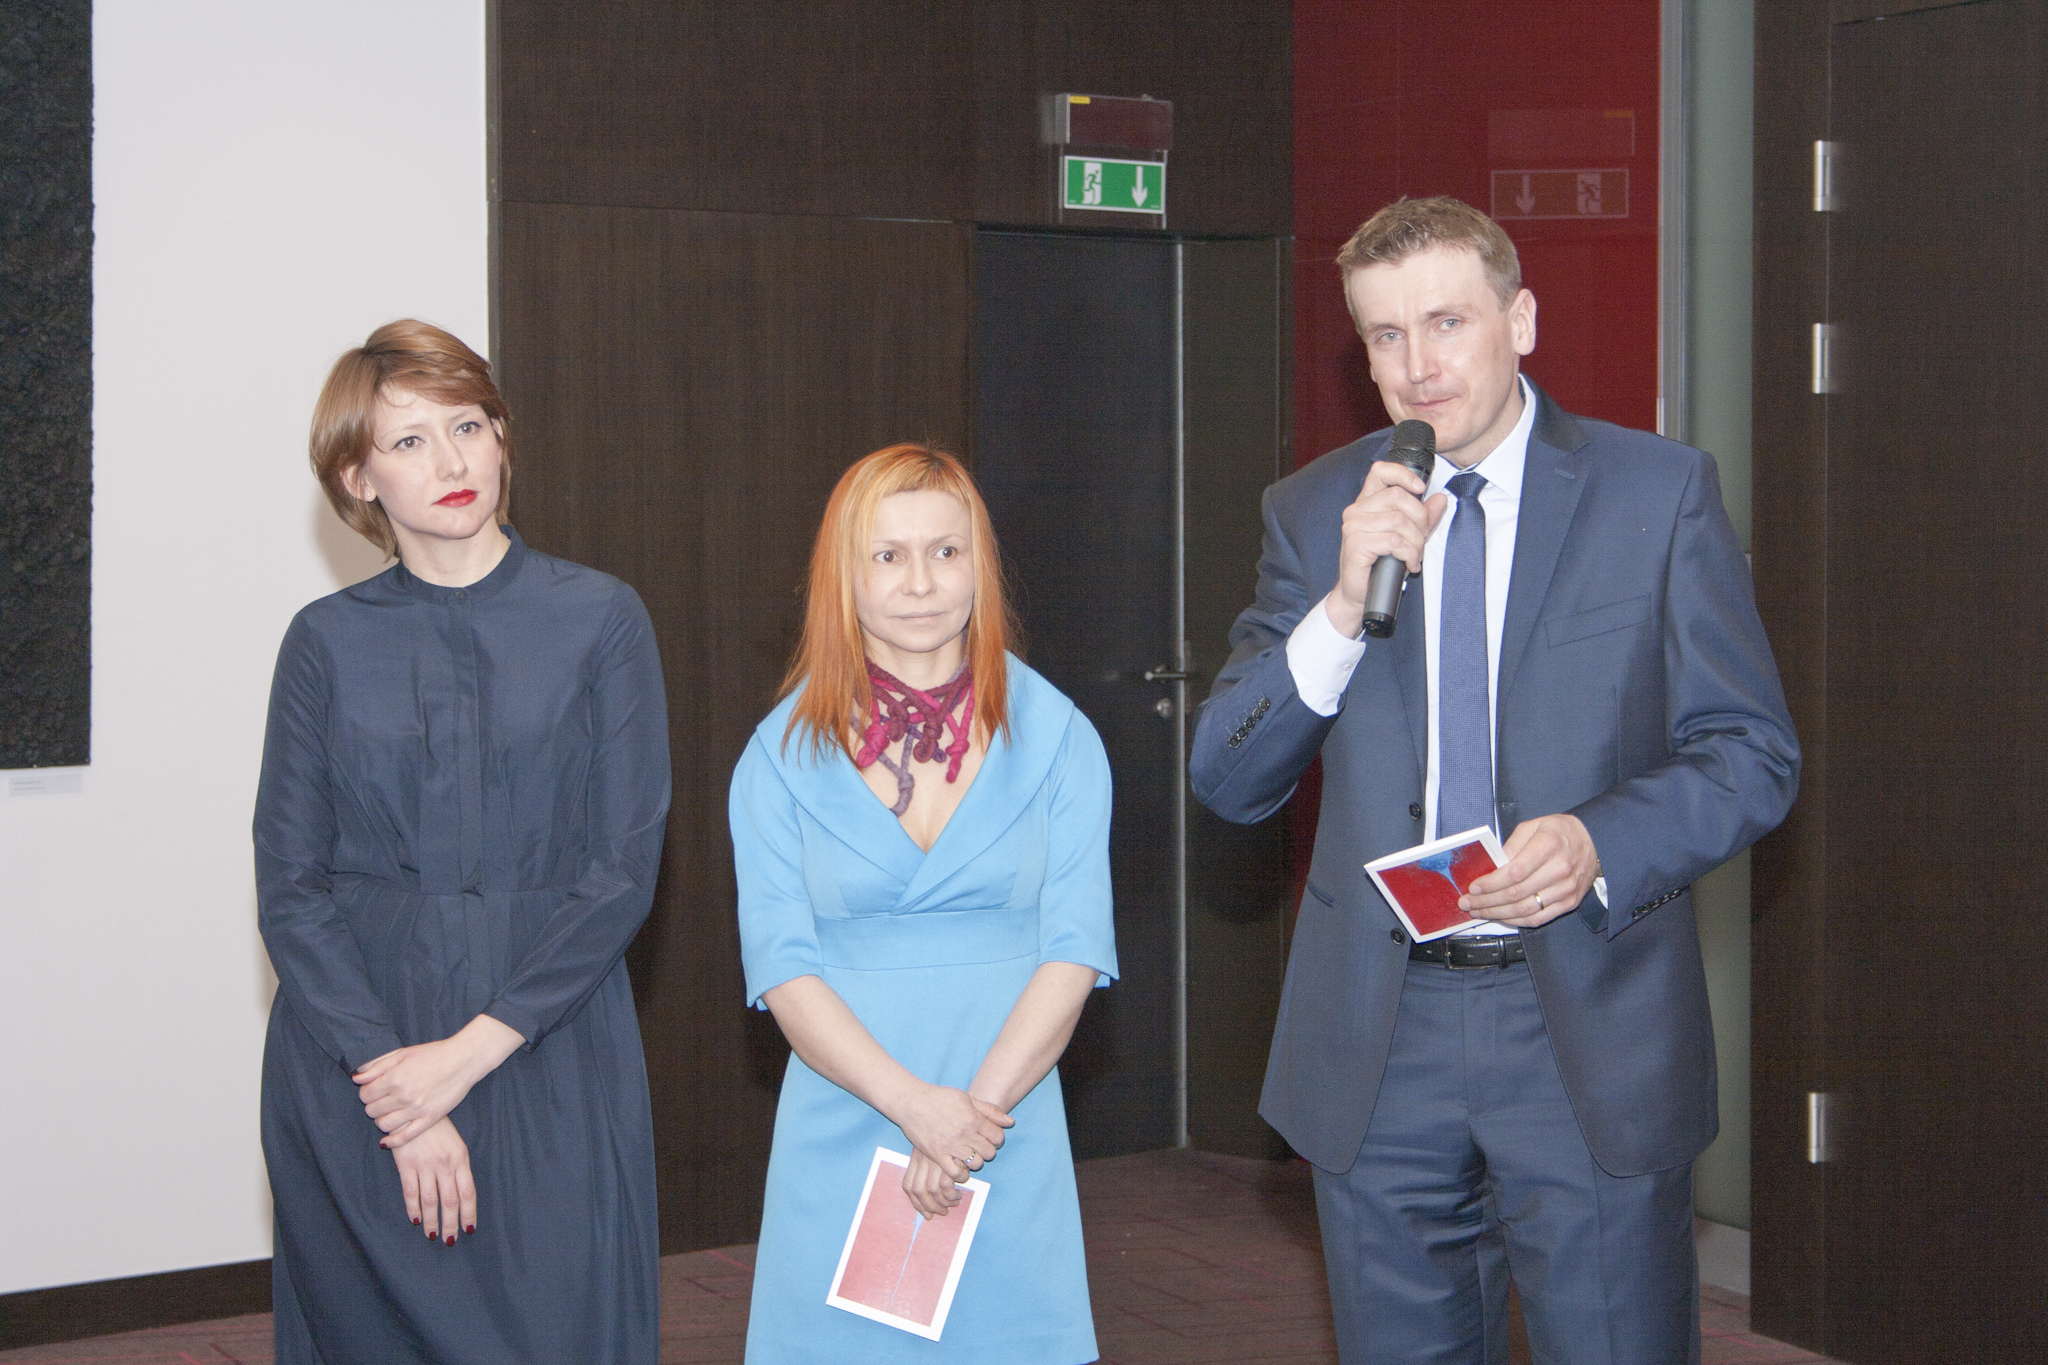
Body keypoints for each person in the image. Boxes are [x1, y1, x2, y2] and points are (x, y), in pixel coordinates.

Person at [1189, 198, 1799, 1364]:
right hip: (1381, 1032)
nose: (1416, 367)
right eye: (1383, 336)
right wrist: (1339, 606)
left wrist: (1600, 841)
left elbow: (1749, 752)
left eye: (1445, 323)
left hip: (1581, 1020)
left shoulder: (1654, 492)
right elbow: (1227, 773)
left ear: (1518, 322)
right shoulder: (1315, 513)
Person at [255, 320, 669, 1364]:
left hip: (548, 1034)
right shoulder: (322, 642)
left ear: (502, 439)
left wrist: (469, 1054)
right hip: (360, 1051)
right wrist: (398, 1088)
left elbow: (623, 870)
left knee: (556, 1326)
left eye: (468, 427)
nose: (450, 462)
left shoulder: (603, 618)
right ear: (357, 479)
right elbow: (291, 888)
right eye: (409, 441)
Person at [730, 443, 1115, 1364]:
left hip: (1005, 1118)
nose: (920, 582)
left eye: (946, 551)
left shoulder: (1062, 737)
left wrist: (969, 1119)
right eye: (888, 555)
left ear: (980, 566)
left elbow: (1074, 951)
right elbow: (783, 971)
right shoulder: (775, 758)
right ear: (845, 575)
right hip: (848, 1115)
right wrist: (916, 1109)